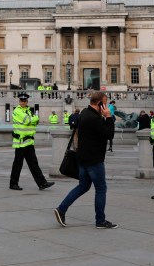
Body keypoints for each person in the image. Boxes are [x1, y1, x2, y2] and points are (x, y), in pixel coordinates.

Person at [54, 91, 117, 229]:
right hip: (93, 159)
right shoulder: (94, 118)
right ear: (99, 103)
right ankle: (100, 220)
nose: (106, 106)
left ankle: (61, 209)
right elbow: (109, 134)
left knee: (83, 186)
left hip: (82, 157)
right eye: (105, 103)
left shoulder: (84, 113)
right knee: (101, 188)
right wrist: (109, 117)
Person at [9, 93, 54, 191]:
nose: (23, 102)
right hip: (20, 142)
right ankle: (13, 184)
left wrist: (33, 120)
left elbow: (36, 120)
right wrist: (33, 120)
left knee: (34, 163)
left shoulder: (29, 110)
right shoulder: (17, 110)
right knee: (18, 164)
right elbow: (28, 121)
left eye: (25, 101)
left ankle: (42, 183)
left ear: (27, 101)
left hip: (29, 141)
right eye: (22, 101)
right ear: (19, 101)